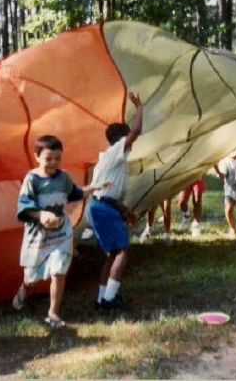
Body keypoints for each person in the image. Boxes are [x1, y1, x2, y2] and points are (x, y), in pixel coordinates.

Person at [12, 135, 109, 328]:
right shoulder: (32, 179)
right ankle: (25, 288)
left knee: (59, 271)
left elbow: (74, 193)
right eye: (49, 159)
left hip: (61, 232)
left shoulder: (63, 176)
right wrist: (41, 215)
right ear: (37, 157)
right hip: (38, 235)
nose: (54, 163)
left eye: (58, 158)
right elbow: (24, 205)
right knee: (32, 276)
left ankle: (53, 313)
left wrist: (94, 188)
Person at [88, 92, 144, 310]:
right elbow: (137, 131)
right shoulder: (116, 151)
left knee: (111, 256)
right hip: (102, 208)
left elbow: (109, 192)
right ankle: (109, 301)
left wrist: (125, 211)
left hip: (102, 206)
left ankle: (102, 298)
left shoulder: (110, 159)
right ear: (123, 139)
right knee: (122, 251)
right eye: (128, 138)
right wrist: (139, 108)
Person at [213, 153, 236, 239]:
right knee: (228, 207)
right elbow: (223, 176)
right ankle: (232, 228)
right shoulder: (224, 160)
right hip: (230, 188)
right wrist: (216, 169)